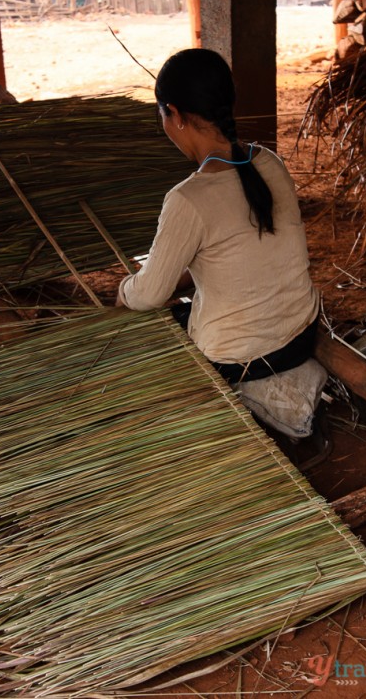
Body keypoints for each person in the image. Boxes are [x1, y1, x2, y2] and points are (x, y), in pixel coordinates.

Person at [116, 48, 327, 442]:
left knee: (151, 327)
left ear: (175, 115)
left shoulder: (188, 199)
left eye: (162, 114)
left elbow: (147, 296)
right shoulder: (268, 162)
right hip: (302, 331)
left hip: (242, 357)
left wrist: (124, 291)